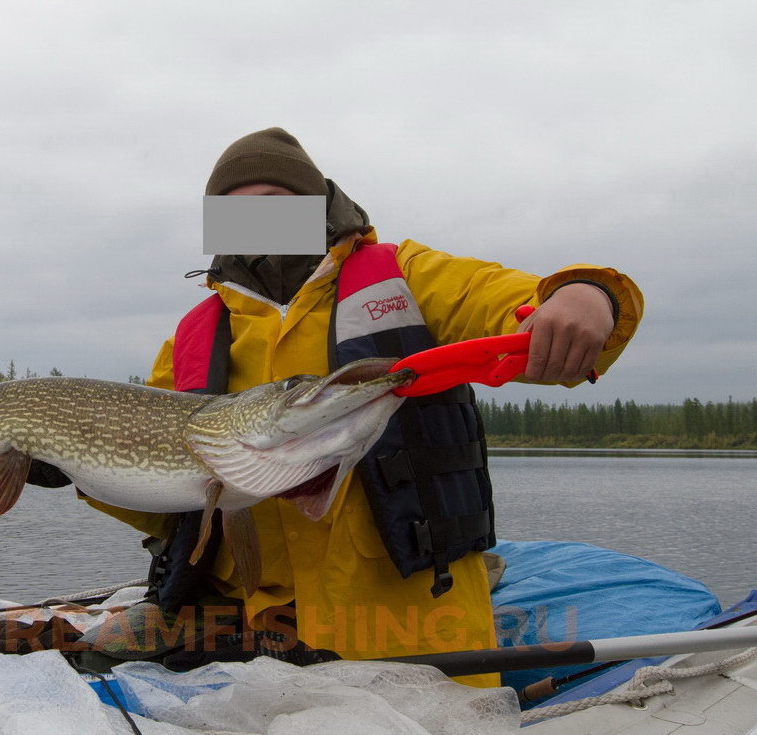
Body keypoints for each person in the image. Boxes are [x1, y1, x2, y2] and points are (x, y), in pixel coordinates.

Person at [84, 127, 643, 687]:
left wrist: (588, 296)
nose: (254, 221)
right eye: (233, 209)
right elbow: (172, 502)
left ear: (316, 205)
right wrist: (72, 469)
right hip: (264, 645)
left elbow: (504, 298)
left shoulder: (406, 275)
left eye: (274, 204)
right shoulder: (193, 336)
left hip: (417, 632)